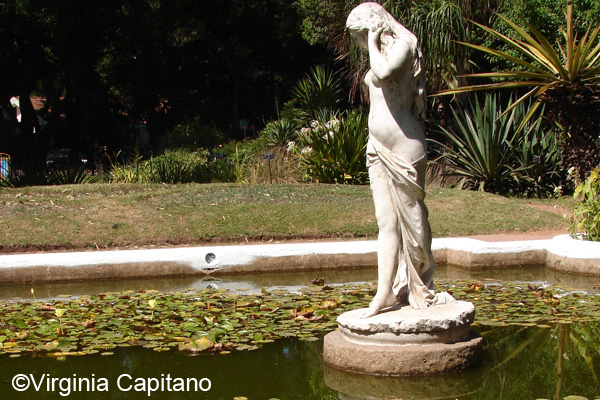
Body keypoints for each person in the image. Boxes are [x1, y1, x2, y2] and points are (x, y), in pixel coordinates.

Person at [347, 3, 449, 318]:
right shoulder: (381, 51)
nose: (362, 45)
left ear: (373, 26)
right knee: (386, 222)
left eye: (361, 36)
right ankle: (383, 293)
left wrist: (375, 42)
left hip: (405, 147)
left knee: (414, 223)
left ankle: (421, 285)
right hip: (376, 147)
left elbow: (384, 73)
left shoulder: (403, 46)